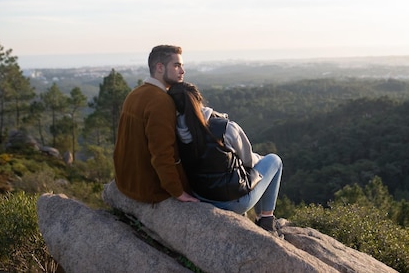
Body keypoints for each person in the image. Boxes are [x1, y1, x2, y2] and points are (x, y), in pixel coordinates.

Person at [167, 82, 283, 234]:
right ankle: (266, 221)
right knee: (274, 160)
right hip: (233, 202)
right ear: (199, 99)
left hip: (200, 196)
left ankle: (260, 220)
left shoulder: (172, 132)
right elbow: (248, 160)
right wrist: (260, 159)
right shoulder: (224, 127)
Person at [113, 45, 198, 204]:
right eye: (176, 65)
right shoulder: (161, 101)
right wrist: (178, 192)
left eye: (182, 66)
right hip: (149, 190)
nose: (182, 71)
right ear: (160, 67)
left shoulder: (135, 93)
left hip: (126, 182)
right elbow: (162, 154)